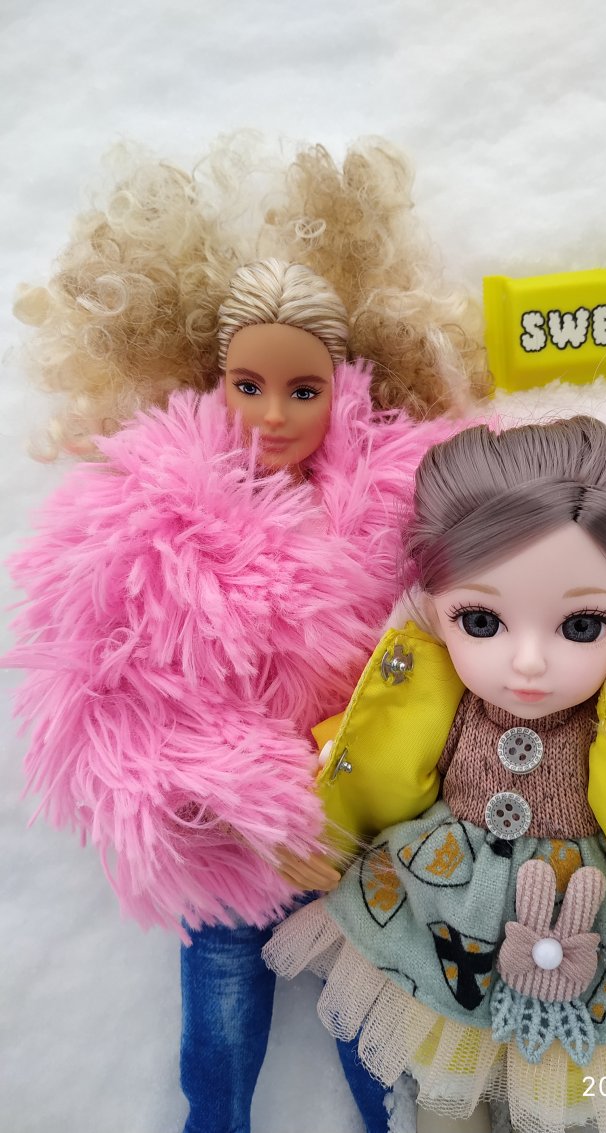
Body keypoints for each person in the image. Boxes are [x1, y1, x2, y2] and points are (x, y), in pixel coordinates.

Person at [6, 136, 487, 1133]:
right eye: (247, 384)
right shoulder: (141, 511)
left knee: (387, 1064)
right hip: (230, 845)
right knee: (218, 1056)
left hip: (370, 846)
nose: (272, 414)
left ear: (345, 383)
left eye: (303, 390)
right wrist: (245, 798)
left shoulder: (403, 494)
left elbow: (479, 604)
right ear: (210, 377)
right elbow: (98, 698)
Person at [263, 417, 606, 1133]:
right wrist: (324, 777)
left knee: (562, 1098)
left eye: (581, 626)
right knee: (444, 1088)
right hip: (443, 911)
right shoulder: (435, 695)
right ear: (435, 612)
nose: (527, 662)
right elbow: (378, 749)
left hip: (588, 923)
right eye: (481, 620)